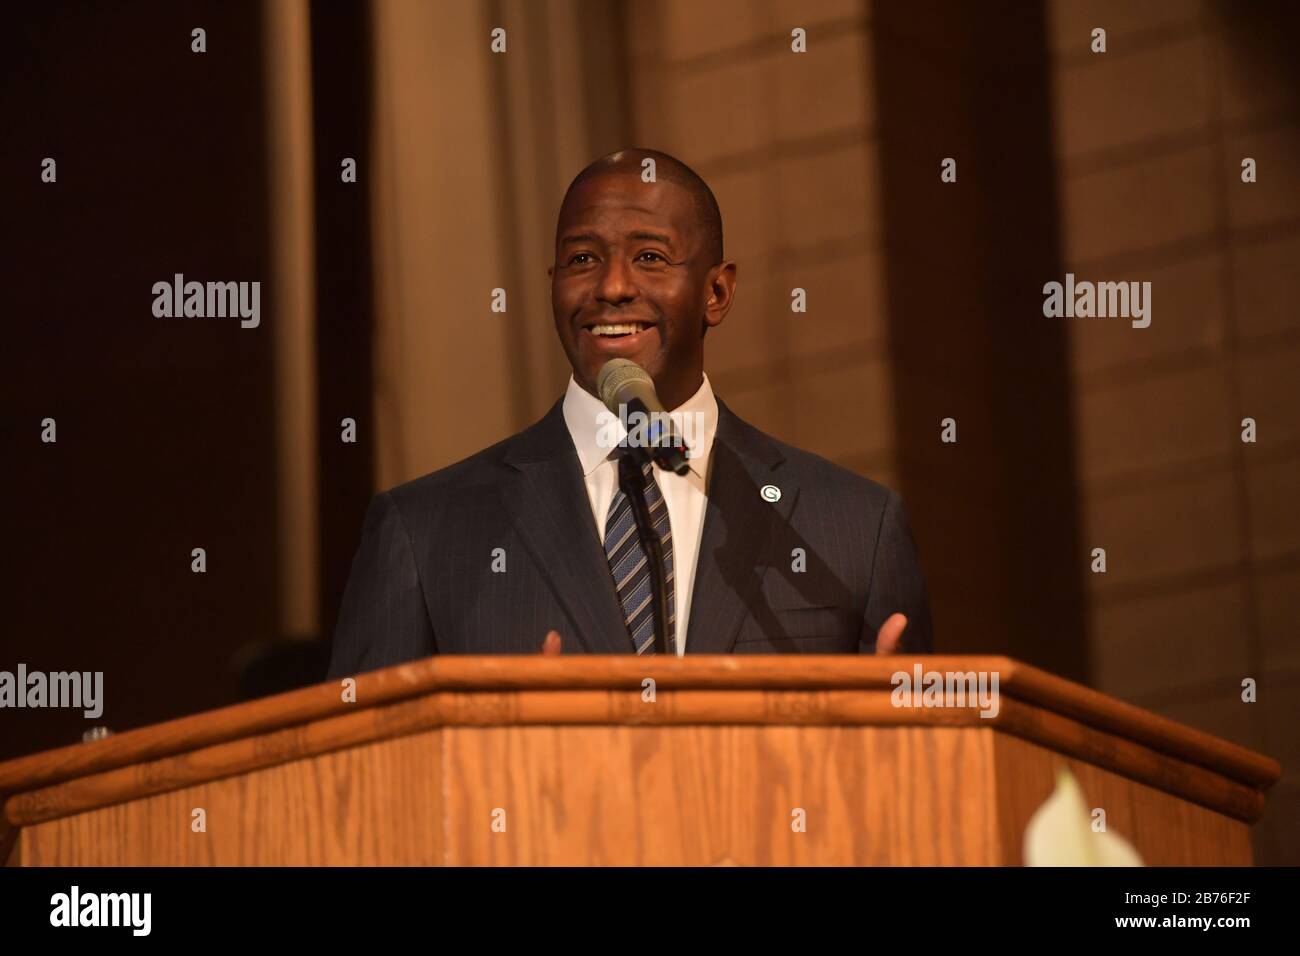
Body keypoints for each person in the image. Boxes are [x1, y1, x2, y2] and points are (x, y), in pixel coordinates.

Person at [328, 148, 932, 676]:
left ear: (716, 293)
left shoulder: (855, 529)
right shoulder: (426, 533)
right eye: (583, 259)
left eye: (649, 257)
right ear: (552, 285)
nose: (612, 287)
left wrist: (892, 741)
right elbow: (360, 785)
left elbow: (925, 779)